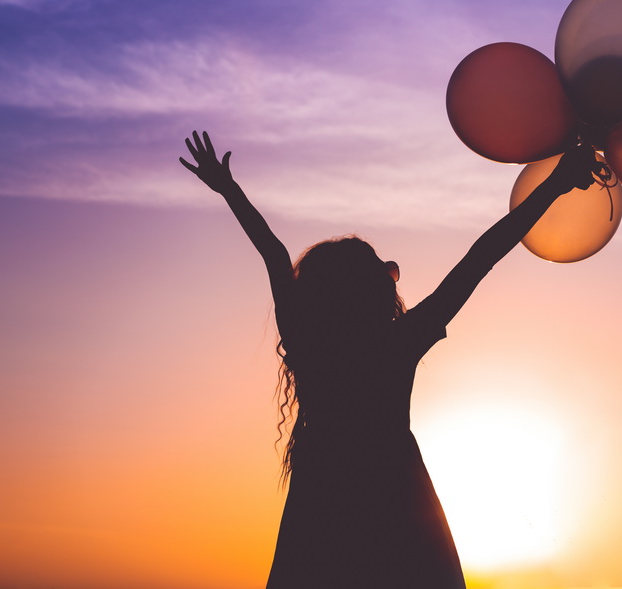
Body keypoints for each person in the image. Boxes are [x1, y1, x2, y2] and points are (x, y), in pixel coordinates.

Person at [180, 131, 599, 589]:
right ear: (372, 292)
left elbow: (275, 254)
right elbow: (483, 255)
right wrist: (556, 184)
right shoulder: (398, 344)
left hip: (322, 503)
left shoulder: (308, 342)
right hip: (400, 504)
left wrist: (231, 191)